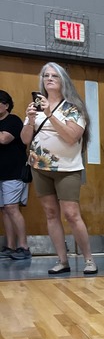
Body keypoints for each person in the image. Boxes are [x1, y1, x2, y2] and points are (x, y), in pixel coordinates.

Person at [21, 63, 97, 275]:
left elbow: (72, 136)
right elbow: (25, 139)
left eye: (54, 75)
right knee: (50, 213)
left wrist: (49, 114)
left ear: (63, 80)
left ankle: (89, 260)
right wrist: (30, 120)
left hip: (67, 168)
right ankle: (62, 260)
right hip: (39, 166)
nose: (49, 79)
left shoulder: (73, 108)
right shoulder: (35, 106)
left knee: (72, 214)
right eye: (46, 75)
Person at [0, 90, 30, 260]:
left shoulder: (14, 120)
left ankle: (24, 247)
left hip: (14, 172)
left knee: (12, 208)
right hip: (1, 173)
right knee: (4, 209)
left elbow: (4, 139)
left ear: (6, 105)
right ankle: (10, 246)